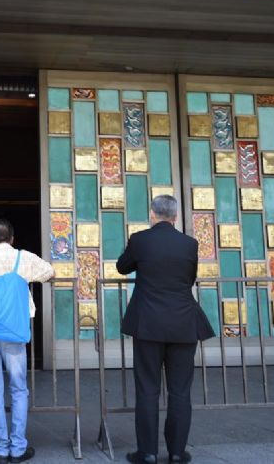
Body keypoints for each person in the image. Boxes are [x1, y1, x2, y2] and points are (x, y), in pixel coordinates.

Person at [116, 195, 216, 464]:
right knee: (180, 391)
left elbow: (122, 267)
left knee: (148, 388)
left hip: (148, 323)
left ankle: (147, 452)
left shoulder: (140, 240)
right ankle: (176, 452)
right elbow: (189, 277)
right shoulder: (189, 244)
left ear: (152, 214)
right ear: (175, 216)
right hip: (184, 323)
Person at [0, 219, 54, 464]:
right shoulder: (22, 258)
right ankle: (18, 448)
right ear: (12, 239)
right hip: (14, 331)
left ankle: (0, 449)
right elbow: (49, 271)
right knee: (18, 388)